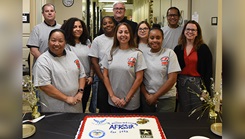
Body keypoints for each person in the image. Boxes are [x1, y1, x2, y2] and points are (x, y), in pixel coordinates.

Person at [33, 29, 86, 113]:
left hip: (76, 104)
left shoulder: (72, 55)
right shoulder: (43, 60)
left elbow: (82, 75)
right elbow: (44, 85)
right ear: (48, 41)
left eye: (60, 41)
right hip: (54, 107)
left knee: (76, 125)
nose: (56, 44)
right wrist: (67, 98)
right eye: (53, 40)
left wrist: (80, 92)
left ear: (65, 42)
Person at [102, 22, 147, 113]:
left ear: (130, 34)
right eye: (120, 32)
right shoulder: (110, 52)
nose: (123, 35)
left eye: (126, 32)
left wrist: (127, 99)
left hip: (131, 102)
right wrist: (112, 96)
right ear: (116, 34)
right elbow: (105, 76)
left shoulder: (137, 53)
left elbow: (139, 79)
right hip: (113, 101)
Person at [174, 20, 213, 112]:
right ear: (184, 31)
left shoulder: (203, 49)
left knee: (197, 110)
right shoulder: (178, 48)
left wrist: (206, 90)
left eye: (193, 30)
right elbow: (174, 71)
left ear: (197, 33)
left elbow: (208, 71)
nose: (190, 32)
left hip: (197, 84)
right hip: (182, 83)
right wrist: (174, 88)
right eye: (188, 29)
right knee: (184, 110)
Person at [140, 27, 181, 113]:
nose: (155, 40)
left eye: (158, 38)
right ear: (148, 39)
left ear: (162, 39)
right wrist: (147, 96)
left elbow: (172, 79)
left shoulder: (170, 53)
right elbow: (139, 79)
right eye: (152, 38)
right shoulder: (142, 55)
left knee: (165, 125)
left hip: (167, 99)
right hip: (147, 98)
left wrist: (155, 96)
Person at [60, 17, 93, 113]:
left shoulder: (87, 42)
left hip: (87, 81)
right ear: (69, 28)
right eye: (74, 27)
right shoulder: (65, 44)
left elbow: (91, 60)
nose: (78, 29)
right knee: (73, 106)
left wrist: (91, 76)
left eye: (80, 27)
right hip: (72, 81)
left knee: (83, 105)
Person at [88, 16, 116, 113]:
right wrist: (103, 79)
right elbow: (94, 61)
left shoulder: (120, 37)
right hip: (102, 77)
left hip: (117, 77)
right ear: (101, 26)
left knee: (116, 105)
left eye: (110, 22)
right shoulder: (97, 40)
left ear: (114, 24)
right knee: (104, 107)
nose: (108, 25)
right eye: (105, 23)